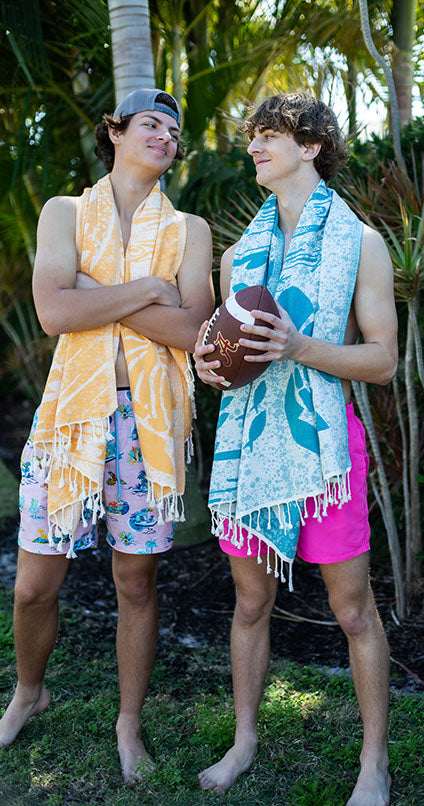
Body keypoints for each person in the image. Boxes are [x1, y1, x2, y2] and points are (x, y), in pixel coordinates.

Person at [0, 88, 214, 784]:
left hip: (148, 427)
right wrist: (151, 289)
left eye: (173, 132)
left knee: (137, 582)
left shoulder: (190, 230)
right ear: (115, 133)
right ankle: (30, 692)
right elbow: (54, 313)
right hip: (70, 420)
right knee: (34, 585)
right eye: (150, 123)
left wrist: (97, 290)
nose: (164, 136)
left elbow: (193, 333)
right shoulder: (64, 212)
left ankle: (128, 723)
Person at [193, 92, 397, 806]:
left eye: (268, 134)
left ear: (309, 146)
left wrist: (301, 346)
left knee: (351, 610)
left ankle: (373, 764)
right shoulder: (235, 256)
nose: (252, 145)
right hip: (250, 446)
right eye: (251, 135)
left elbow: (382, 362)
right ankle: (244, 741)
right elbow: (228, 364)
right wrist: (208, 365)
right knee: (249, 605)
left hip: (322, 453)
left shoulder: (360, 244)